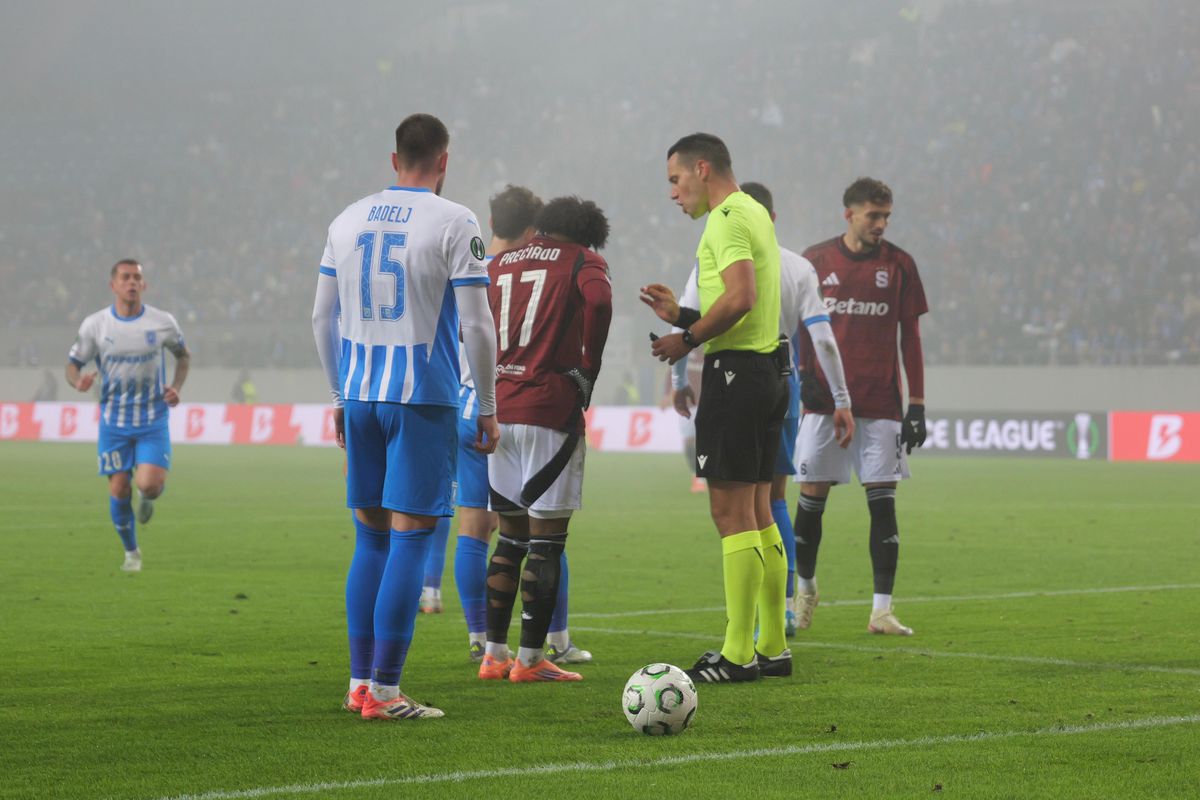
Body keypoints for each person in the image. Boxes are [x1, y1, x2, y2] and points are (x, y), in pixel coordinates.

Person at [312, 113, 499, 720]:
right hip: (422, 399)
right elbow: (476, 324)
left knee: (369, 540)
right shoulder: (455, 220)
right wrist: (489, 408)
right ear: (443, 161)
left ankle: (357, 684)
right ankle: (387, 693)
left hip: (362, 396)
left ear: (394, 159)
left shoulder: (345, 219)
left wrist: (340, 396)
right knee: (411, 542)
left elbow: (322, 319)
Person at [670, 181, 855, 638]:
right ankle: (781, 617)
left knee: (735, 507)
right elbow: (823, 338)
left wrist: (678, 379)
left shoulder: (721, 242)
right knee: (771, 500)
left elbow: (690, 316)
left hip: (735, 378)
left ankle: (744, 633)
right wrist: (841, 399)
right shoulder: (798, 266)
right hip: (783, 383)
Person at [641, 133, 793, 684]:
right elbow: (744, 302)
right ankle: (771, 644)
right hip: (770, 371)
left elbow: (741, 297)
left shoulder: (726, 218)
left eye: (675, 180)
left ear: (702, 169)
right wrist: (681, 313)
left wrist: (689, 337)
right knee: (758, 512)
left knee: (730, 516)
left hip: (737, 375)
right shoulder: (753, 210)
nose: (673, 193)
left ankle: (736, 654)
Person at [446, 184, 592, 666]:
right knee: (545, 526)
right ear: (534, 230)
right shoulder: (542, 269)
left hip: (467, 407)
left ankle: (482, 640)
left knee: (476, 528)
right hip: (515, 403)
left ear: (491, 223)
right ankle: (555, 639)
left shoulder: (473, 268)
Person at [478, 196, 612, 683]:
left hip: (500, 409)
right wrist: (588, 370)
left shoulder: (499, 263)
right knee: (547, 543)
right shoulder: (583, 259)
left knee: (509, 538)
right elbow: (597, 300)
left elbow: (471, 320)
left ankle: (493, 654)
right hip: (548, 407)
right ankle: (531, 659)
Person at [793, 177, 929, 636]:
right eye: (874, 215)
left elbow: (909, 336)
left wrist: (917, 404)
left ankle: (882, 611)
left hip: (881, 405)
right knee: (811, 502)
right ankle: (805, 591)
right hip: (823, 405)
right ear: (848, 214)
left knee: (883, 505)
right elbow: (795, 329)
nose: (882, 225)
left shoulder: (900, 265)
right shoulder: (815, 261)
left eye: (887, 216)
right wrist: (803, 383)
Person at [66, 259, 190, 572]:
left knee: (147, 485)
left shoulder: (162, 322)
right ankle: (131, 553)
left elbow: (183, 356)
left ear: (144, 285)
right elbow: (72, 365)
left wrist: (175, 386)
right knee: (118, 488)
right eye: (125, 277)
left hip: (152, 420)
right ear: (114, 285)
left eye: (137, 277)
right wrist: (76, 381)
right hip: (114, 422)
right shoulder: (95, 325)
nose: (132, 282)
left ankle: (148, 496)